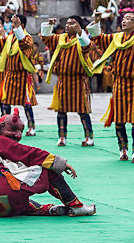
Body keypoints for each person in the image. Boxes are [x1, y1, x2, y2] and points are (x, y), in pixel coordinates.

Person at [0, 109, 96, 218]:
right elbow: (27, 153)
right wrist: (59, 163)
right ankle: (76, 206)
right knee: (47, 170)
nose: (18, 136)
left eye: (20, 131)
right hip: (4, 195)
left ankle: (48, 210)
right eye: (14, 130)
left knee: (18, 199)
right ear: (2, 127)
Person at [88, 12, 134, 162]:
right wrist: (96, 21)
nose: (125, 21)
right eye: (124, 18)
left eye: (129, 19)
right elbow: (98, 39)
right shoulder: (116, 38)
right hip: (118, 83)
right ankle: (122, 148)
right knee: (119, 119)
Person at [40, 17, 97, 147]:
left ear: (79, 26)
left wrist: (80, 32)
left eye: (72, 24)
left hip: (78, 80)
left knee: (83, 111)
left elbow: (87, 47)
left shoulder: (83, 39)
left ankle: (89, 137)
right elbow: (46, 39)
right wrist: (49, 26)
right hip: (63, 80)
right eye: (67, 23)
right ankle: (62, 137)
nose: (68, 26)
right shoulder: (60, 39)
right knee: (61, 111)